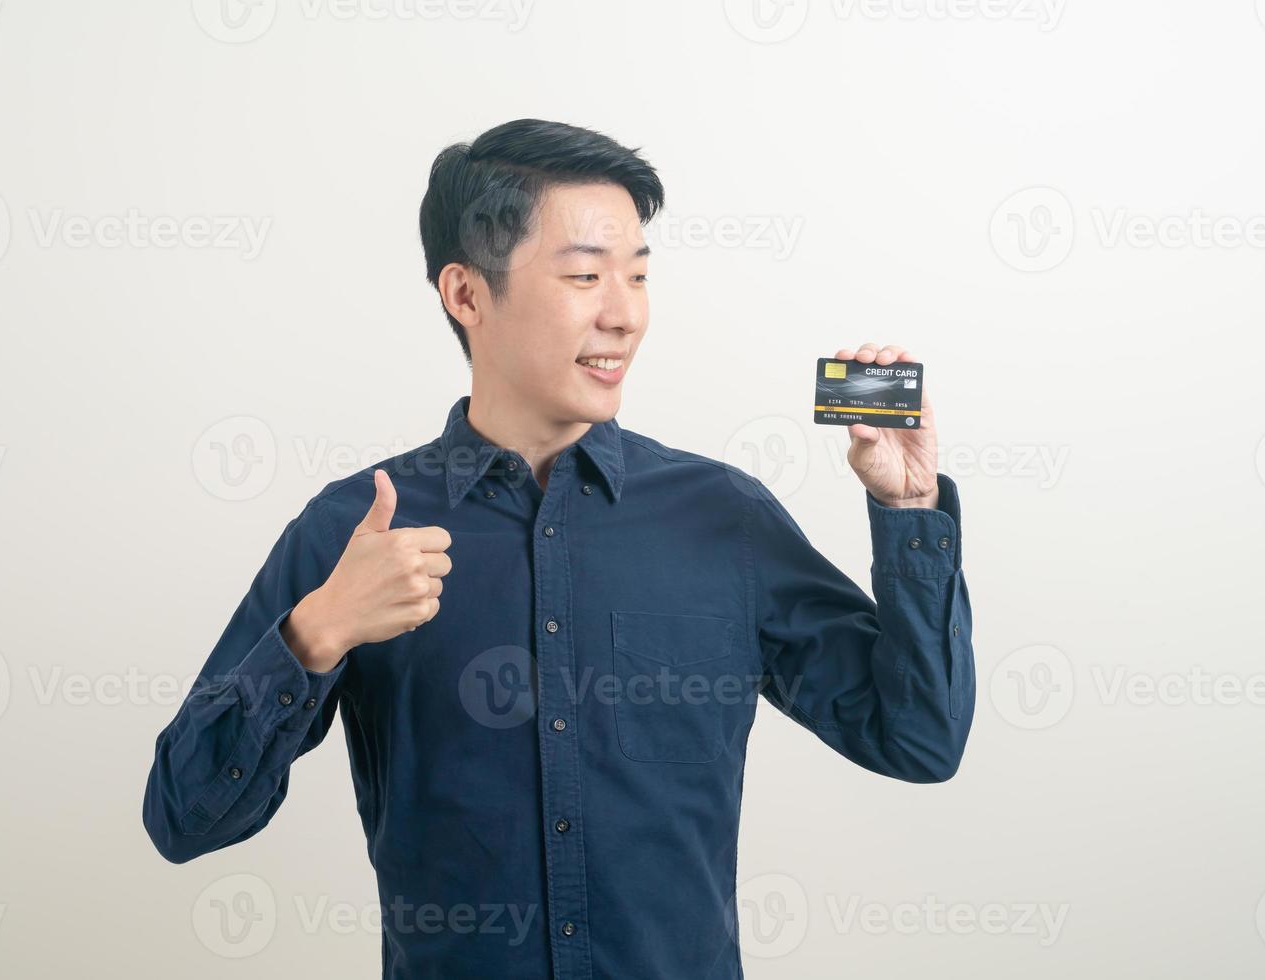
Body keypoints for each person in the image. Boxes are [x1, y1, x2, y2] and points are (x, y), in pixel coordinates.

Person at [142, 118, 975, 979]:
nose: (624, 315)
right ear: (466, 295)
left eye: (638, 276)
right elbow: (183, 819)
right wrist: (314, 635)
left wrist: (908, 507)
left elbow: (917, 740)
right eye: (584, 275)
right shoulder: (358, 532)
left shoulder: (725, 520)